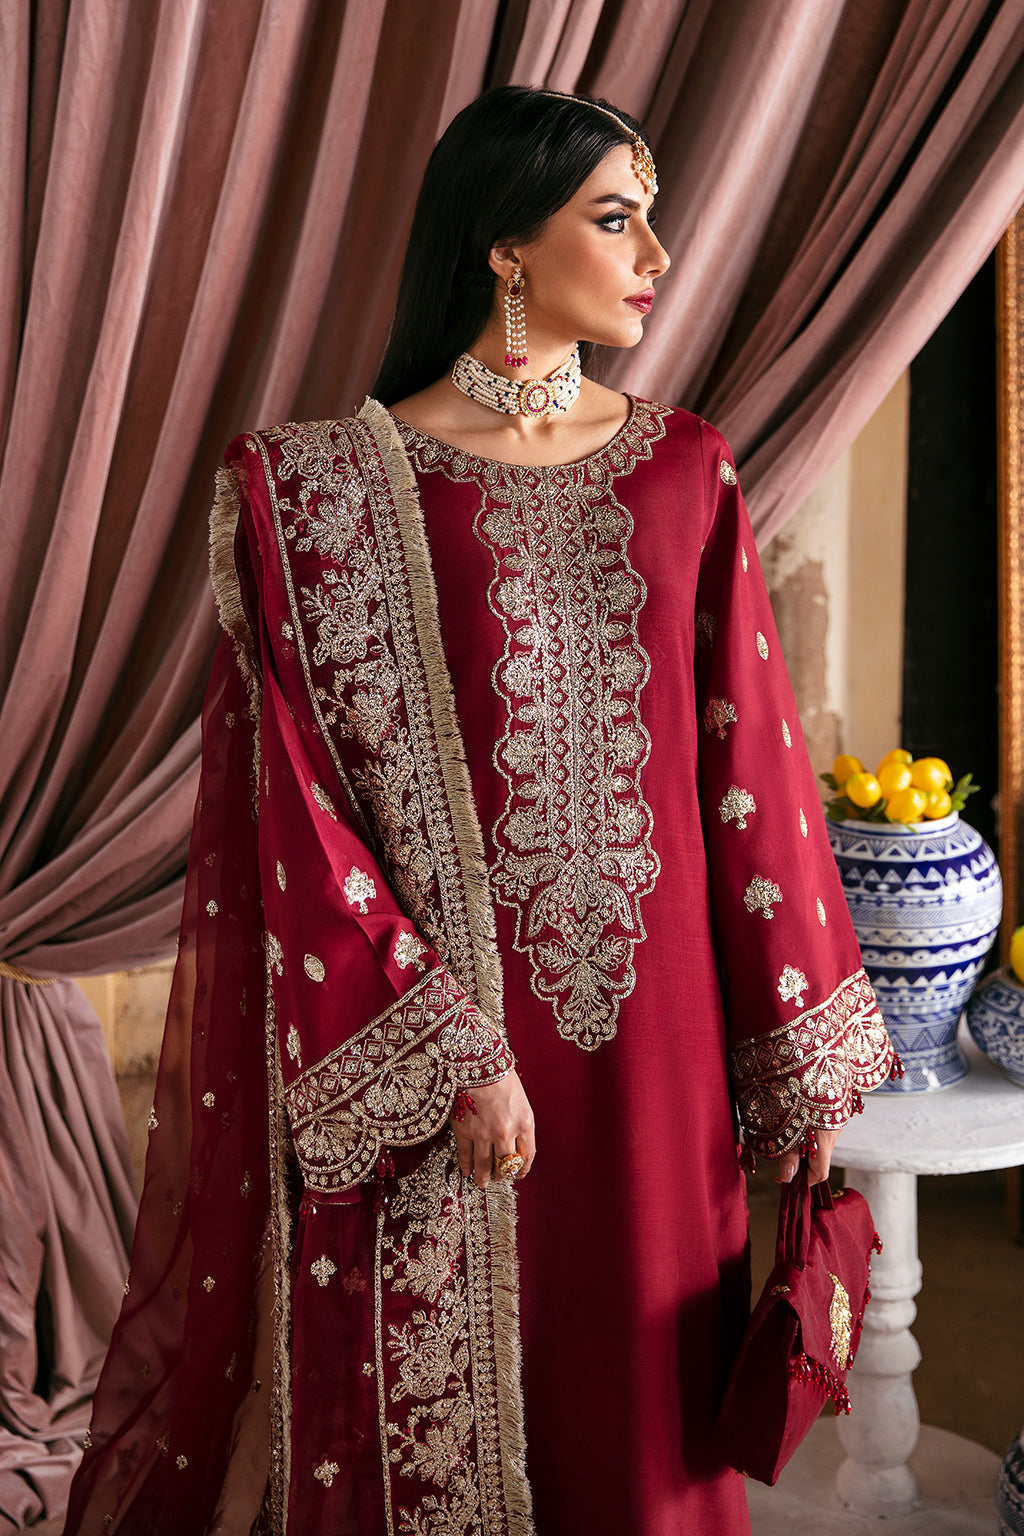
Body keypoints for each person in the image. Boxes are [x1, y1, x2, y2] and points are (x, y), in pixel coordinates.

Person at [65, 86, 896, 1536]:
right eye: (616, 220)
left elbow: (752, 777)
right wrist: (451, 1053)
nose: (657, 256)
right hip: (441, 1049)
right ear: (507, 247)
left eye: (650, 219)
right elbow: (299, 814)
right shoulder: (322, 493)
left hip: (661, 1063)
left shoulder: (687, 469)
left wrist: (799, 1066)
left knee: (642, 1435)